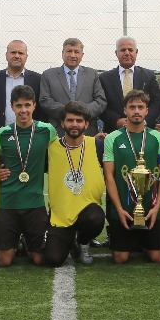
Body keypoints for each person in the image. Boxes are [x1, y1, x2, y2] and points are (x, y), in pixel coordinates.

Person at [102, 92, 160, 264]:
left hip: (151, 208)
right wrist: (118, 209)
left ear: (147, 111)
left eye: (140, 107)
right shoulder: (112, 138)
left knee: (157, 257)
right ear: (125, 110)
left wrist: (157, 208)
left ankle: (141, 240)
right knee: (120, 258)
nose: (136, 111)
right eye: (132, 107)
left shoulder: (159, 138)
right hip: (123, 209)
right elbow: (109, 176)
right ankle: (132, 238)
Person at [0, 86, 57, 266]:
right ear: (12, 107)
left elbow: (59, 153)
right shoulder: (2, 134)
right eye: (19, 105)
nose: (23, 110)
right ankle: (16, 242)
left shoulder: (47, 131)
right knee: (4, 261)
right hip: (8, 201)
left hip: (34, 202)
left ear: (34, 106)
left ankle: (26, 242)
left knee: (39, 259)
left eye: (27, 105)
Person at [47, 102, 108, 266]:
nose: (74, 124)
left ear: (86, 124)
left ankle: (83, 241)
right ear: (62, 123)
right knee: (53, 259)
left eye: (79, 121)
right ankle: (71, 242)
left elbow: (111, 173)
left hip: (87, 210)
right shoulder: (51, 148)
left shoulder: (97, 145)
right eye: (70, 120)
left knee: (96, 218)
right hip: (61, 214)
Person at [39, 38, 106, 135]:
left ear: (82, 55)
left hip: (87, 131)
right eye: (69, 51)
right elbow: (45, 100)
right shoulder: (48, 75)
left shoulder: (92, 74)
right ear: (62, 53)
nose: (73, 55)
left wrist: (82, 112)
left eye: (76, 52)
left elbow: (101, 101)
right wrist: (67, 112)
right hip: (58, 131)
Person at [98, 36, 160, 133]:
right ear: (116, 53)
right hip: (115, 131)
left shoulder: (149, 76)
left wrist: (144, 121)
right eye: (123, 50)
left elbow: (156, 102)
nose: (127, 53)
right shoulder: (104, 78)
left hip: (144, 131)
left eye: (130, 50)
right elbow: (101, 105)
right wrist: (116, 121)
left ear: (136, 52)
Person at [0, 39, 44, 129]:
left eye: (21, 53)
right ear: (6, 55)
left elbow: (41, 110)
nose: (17, 56)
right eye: (13, 52)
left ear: (26, 57)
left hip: (30, 132)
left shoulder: (38, 80)